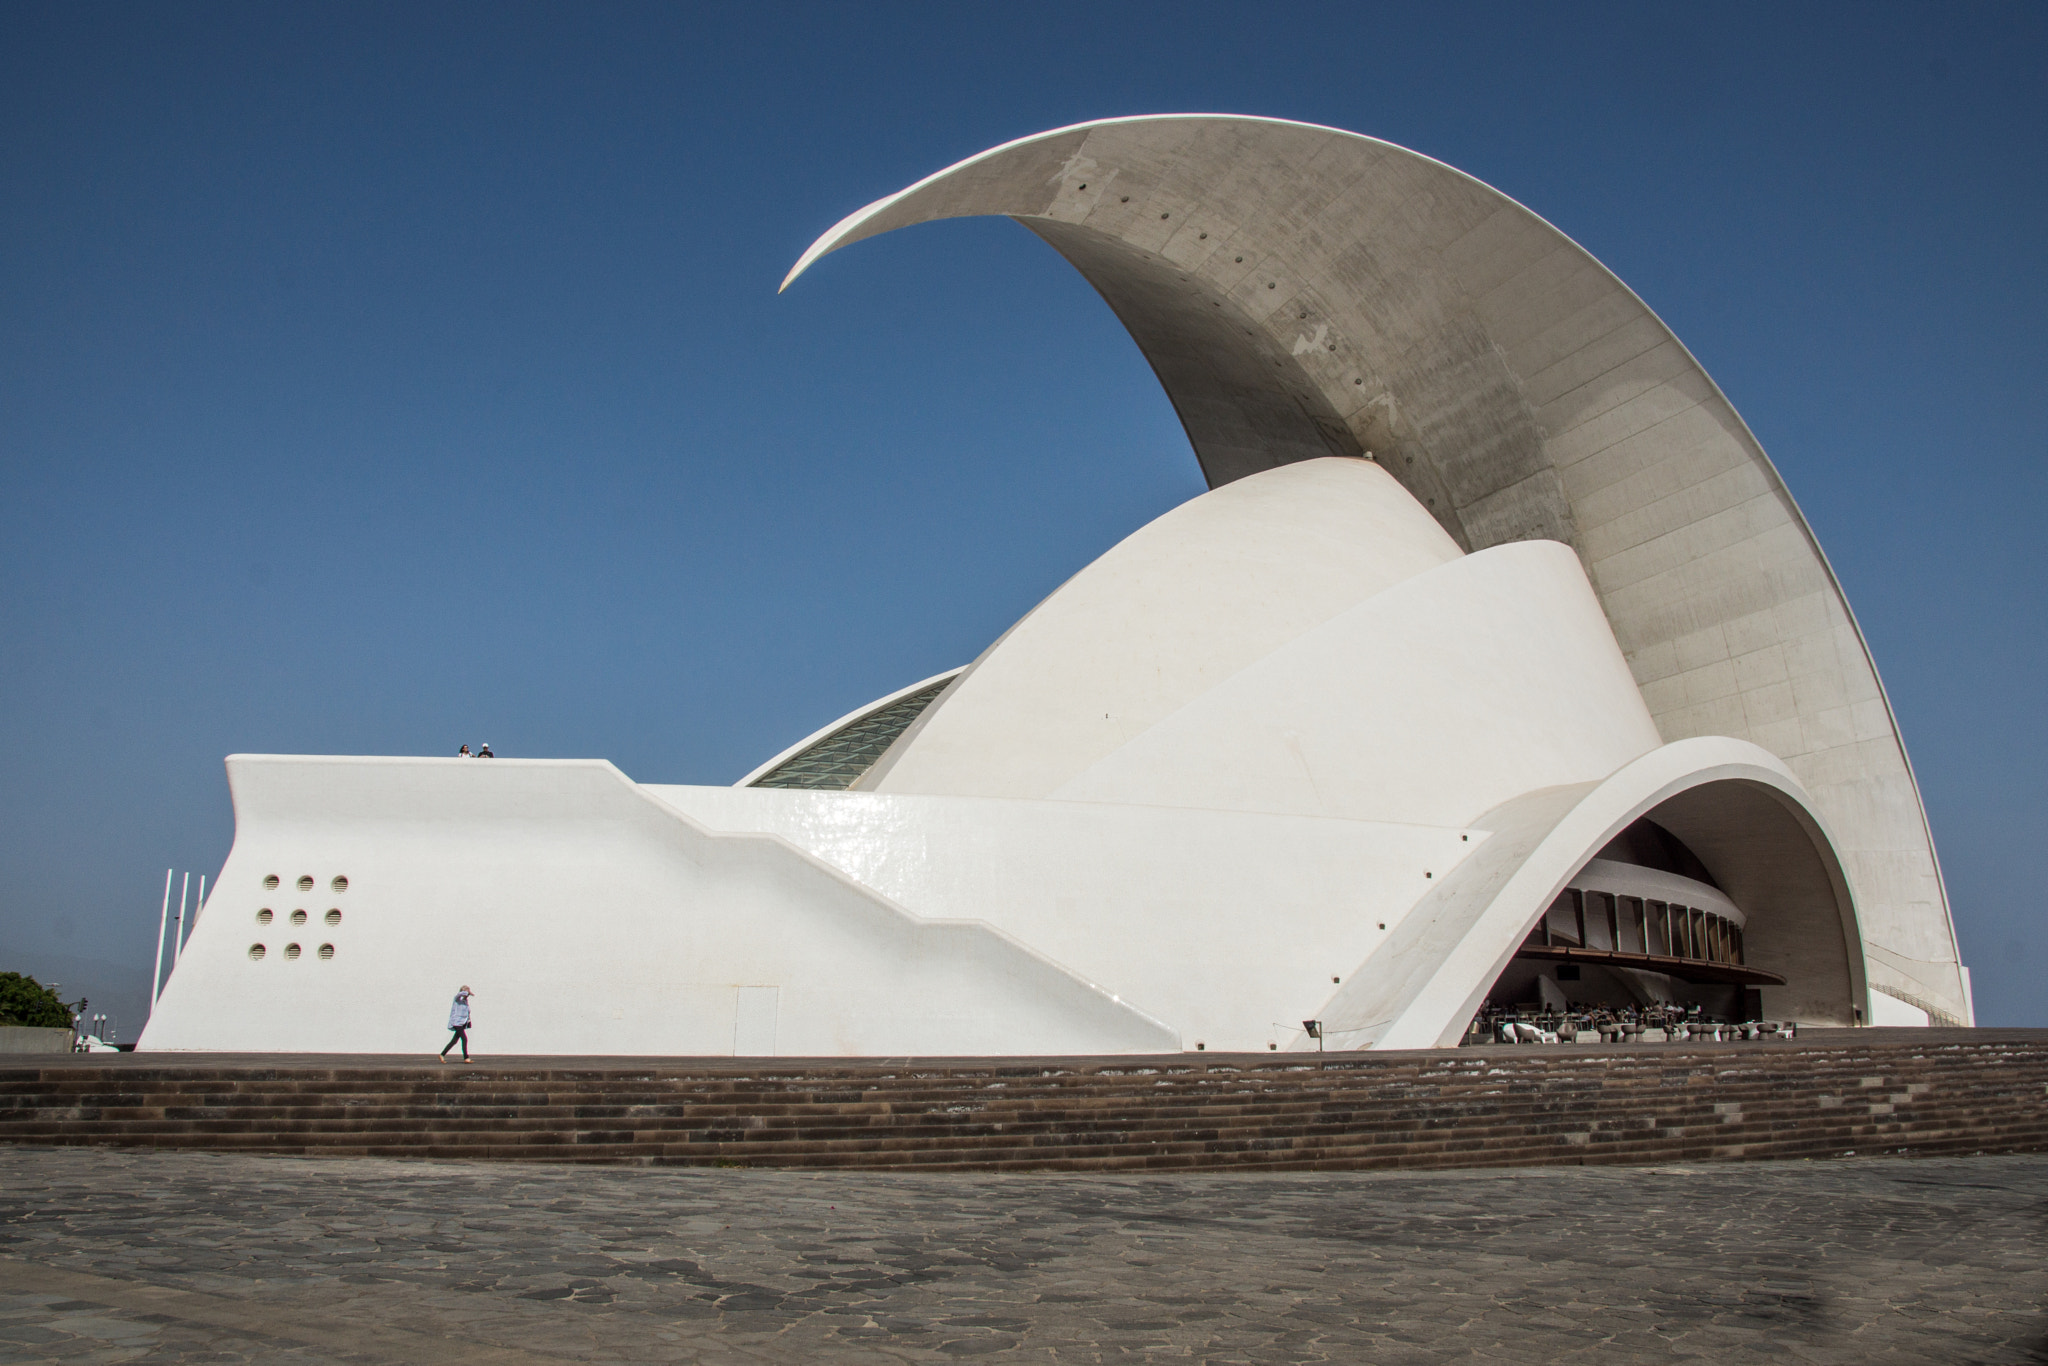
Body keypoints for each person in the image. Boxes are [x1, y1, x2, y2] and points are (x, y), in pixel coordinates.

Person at [439, 985, 474, 1062]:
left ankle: (442, 1055)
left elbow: (467, 1013)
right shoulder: (457, 1000)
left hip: (462, 1023)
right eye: (467, 993)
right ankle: (466, 1058)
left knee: (454, 1041)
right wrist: (465, 992)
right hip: (456, 1023)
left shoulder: (465, 1002)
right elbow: (458, 995)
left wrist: (468, 1022)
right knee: (464, 1039)